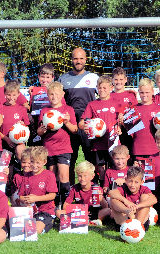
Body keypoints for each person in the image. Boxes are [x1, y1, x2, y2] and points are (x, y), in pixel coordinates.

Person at [58, 47, 98, 185]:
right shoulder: (63, 78)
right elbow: (57, 99)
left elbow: (105, 96)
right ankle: (69, 192)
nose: (78, 61)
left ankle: (93, 191)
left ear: (86, 60)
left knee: (91, 158)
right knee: (70, 158)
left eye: (81, 58)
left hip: (88, 125)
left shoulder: (93, 78)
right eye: (75, 58)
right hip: (69, 125)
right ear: (71, 60)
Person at [38, 82, 77, 205]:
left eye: (56, 94)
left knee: (64, 177)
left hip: (64, 148)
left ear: (62, 95)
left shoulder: (68, 110)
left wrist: (66, 122)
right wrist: (42, 130)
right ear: (47, 95)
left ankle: (64, 204)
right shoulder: (45, 110)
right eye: (51, 94)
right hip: (49, 148)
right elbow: (39, 132)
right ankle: (53, 204)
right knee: (52, 177)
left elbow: (75, 129)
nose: (54, 97)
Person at [79, 75, 121, 179]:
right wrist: (86, 126)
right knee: (101, 169)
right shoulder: (92, 104)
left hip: (113, 142)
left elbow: (122, 121)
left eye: (104, 88)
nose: (102, 90)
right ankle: (103, 190)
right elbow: (81, 123)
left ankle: (114, 191)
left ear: (111, 88)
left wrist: (120, 127)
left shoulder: (117, 103)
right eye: (99, 87)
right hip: (98, 144)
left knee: (115, 168)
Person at [12, 146, 58, 234]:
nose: (34, 165)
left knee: (34, 230)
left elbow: (52, 195)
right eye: (32, 162)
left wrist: (36, 198)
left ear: (44, 162)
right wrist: (26, 200)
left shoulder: (49, 175)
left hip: (45, 211)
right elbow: (21, 195)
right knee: (16, 229)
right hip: (28, 211)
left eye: (38, 163)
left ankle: (49, 222)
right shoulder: (26, 176)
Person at [58, 160, 110, 226]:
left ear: (92, 176)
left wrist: (101, 199)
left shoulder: (97, 188)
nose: (82, 178)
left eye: (85, 176)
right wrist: (78, 210)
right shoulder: (74, 188)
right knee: (58, 212)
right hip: (80, 213)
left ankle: (95, 221)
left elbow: (105, 207)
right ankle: (86, 221)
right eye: (80, 176)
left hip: (95, 213)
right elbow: (65, 206)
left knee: (108, 210)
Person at [132, 78, 160, 158]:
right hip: (138, 149)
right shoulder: (133, 109)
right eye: (142, 92)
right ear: (138, 92)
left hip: (155, 149)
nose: (144, 95)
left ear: (152, 91)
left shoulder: (159, 109)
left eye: (147, 92)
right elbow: (130, 131)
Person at [0, 80, 30, 160]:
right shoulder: (0, 108)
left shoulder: (22, 109)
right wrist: (7, 139)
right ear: (4, 94)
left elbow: (27, 126)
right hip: (4, 141)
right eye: (8, 95)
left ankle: (24, 171)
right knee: (6, 166)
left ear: (18, 94)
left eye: (14, 95)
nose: (11, 97)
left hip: (18, 142)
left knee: (21, 152)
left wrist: (23, 125)